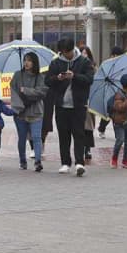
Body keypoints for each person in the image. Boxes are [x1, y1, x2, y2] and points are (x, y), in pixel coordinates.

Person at [45, 38, 95, 177]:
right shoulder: (56, 63)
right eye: (63, 52)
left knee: (79, 134)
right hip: (61, 105)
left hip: (78, 105)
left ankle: (80, 163)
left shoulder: (84, 62)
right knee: (63, 135)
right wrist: (58, 78)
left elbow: (89, 79)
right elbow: (48, 80)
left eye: (68, 52)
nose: (66, 55)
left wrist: (75, 76)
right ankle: (65, 163)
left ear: (73, 49)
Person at [10, 52, 48, 172]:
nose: (26, 63)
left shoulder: (40, 77)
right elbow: (13, 91)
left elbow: (42, 92)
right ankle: (22, 161)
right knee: (22, 138)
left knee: (37, 137)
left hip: (36, 112)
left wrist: (26, 90)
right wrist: (18, 104)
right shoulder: (17, 75)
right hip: (20, 112)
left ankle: (37, 161)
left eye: (29, 60)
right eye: (25, 60)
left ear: (34, 62)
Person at [97, 46, 124, 138]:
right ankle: (101, 129)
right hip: (108, 91)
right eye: (116, 55)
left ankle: (118, 133)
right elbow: (101, 76)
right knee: (108, 112)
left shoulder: (121, 65)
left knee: (117, 112)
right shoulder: (107, 64)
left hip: (118, 91)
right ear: (113, 55)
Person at [79, 45, 96, 163]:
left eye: (86, 53)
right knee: (80, 127)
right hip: (80, 100)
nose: (83, 55)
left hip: (91, 100)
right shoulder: (76, 67)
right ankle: (82, 149)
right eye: (82, 53)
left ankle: (88, 149)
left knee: (89, 126)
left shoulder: (94, 69)